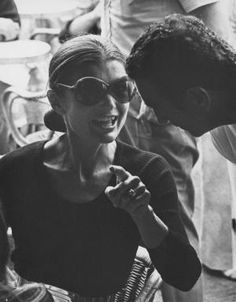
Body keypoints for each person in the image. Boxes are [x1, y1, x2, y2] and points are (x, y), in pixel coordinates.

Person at [0, 34, 201, 301]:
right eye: (90, 91)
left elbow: (184, 275)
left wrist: (143, 215)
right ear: (57, 100)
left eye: (121, 89)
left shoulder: (148, 171)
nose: (110, 105)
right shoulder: (15, 170)